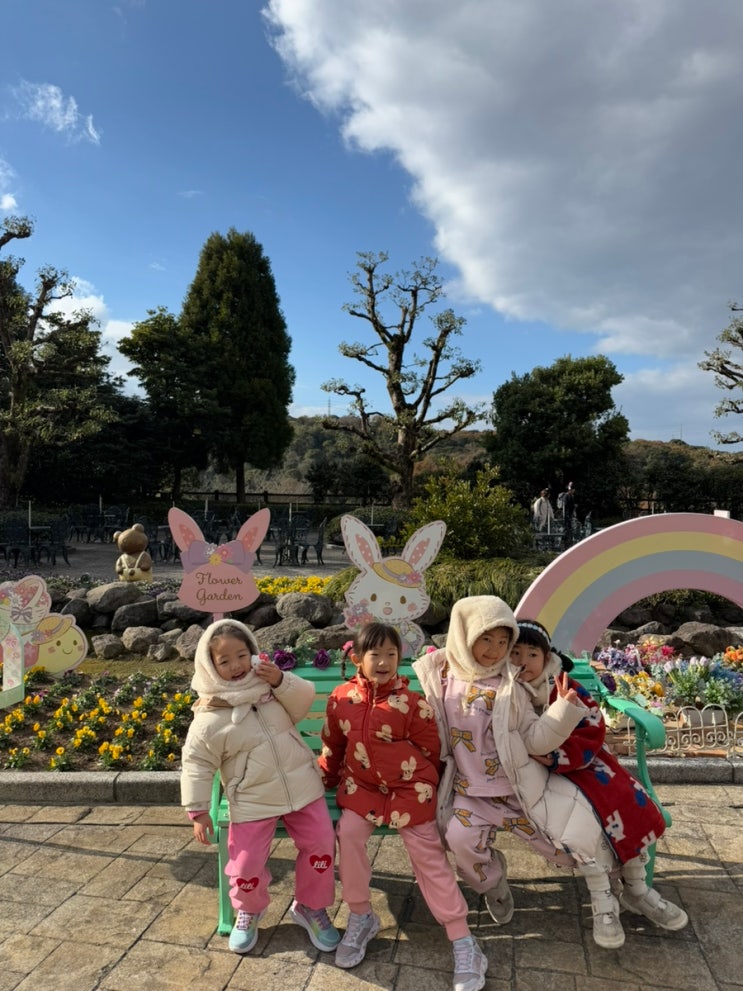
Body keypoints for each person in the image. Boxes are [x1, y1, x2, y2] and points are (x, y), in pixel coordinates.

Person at [413, 595, 636, 950]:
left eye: (503, 641)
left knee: (562, 849)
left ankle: (616, 882)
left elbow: (535, 739)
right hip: (469, 794)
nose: (495, 650)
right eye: (486, 638)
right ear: (464, 636)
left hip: (518, 791)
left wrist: (562, 712)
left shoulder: (511, 686)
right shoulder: (440, 678)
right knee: (461, 844)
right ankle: (493, 884)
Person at [320, 622, 487, 991]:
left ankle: (462, 940)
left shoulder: (412, 703)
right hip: (363, 788)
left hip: (411, 790)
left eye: (391, 654)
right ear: (357, 658)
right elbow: (333, 745)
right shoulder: (341, 699)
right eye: (375, 654)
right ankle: (361, 915)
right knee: (348, 834)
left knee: (427, 854)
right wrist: (325, 780)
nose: (383, 662)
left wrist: (431, 786)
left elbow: (432, 749)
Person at [512, 618, 688, 946]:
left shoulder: (562, 684)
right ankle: (602, 895)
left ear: (547, 656)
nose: (523, 661)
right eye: (515, 652)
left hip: (582, 762)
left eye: (532, 654)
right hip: (538, 775)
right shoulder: (508, 692)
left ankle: (636, 888)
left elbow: (592, 725)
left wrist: (561, 755)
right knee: (582, 817)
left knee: (624, 796)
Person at [181, 619, 341, 956]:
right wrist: (198, 810)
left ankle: (311, 906)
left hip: (303, 788)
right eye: (224, 661)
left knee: (321, 845)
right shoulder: (209, 716)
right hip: (252, 800)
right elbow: (197, 764)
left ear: (254, 653)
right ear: (210, 666)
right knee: (246, 864)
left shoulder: (270, 689)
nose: (236, 666)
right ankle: (249, 909)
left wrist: (281, 680)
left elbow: (304, 700)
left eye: (242, 655)